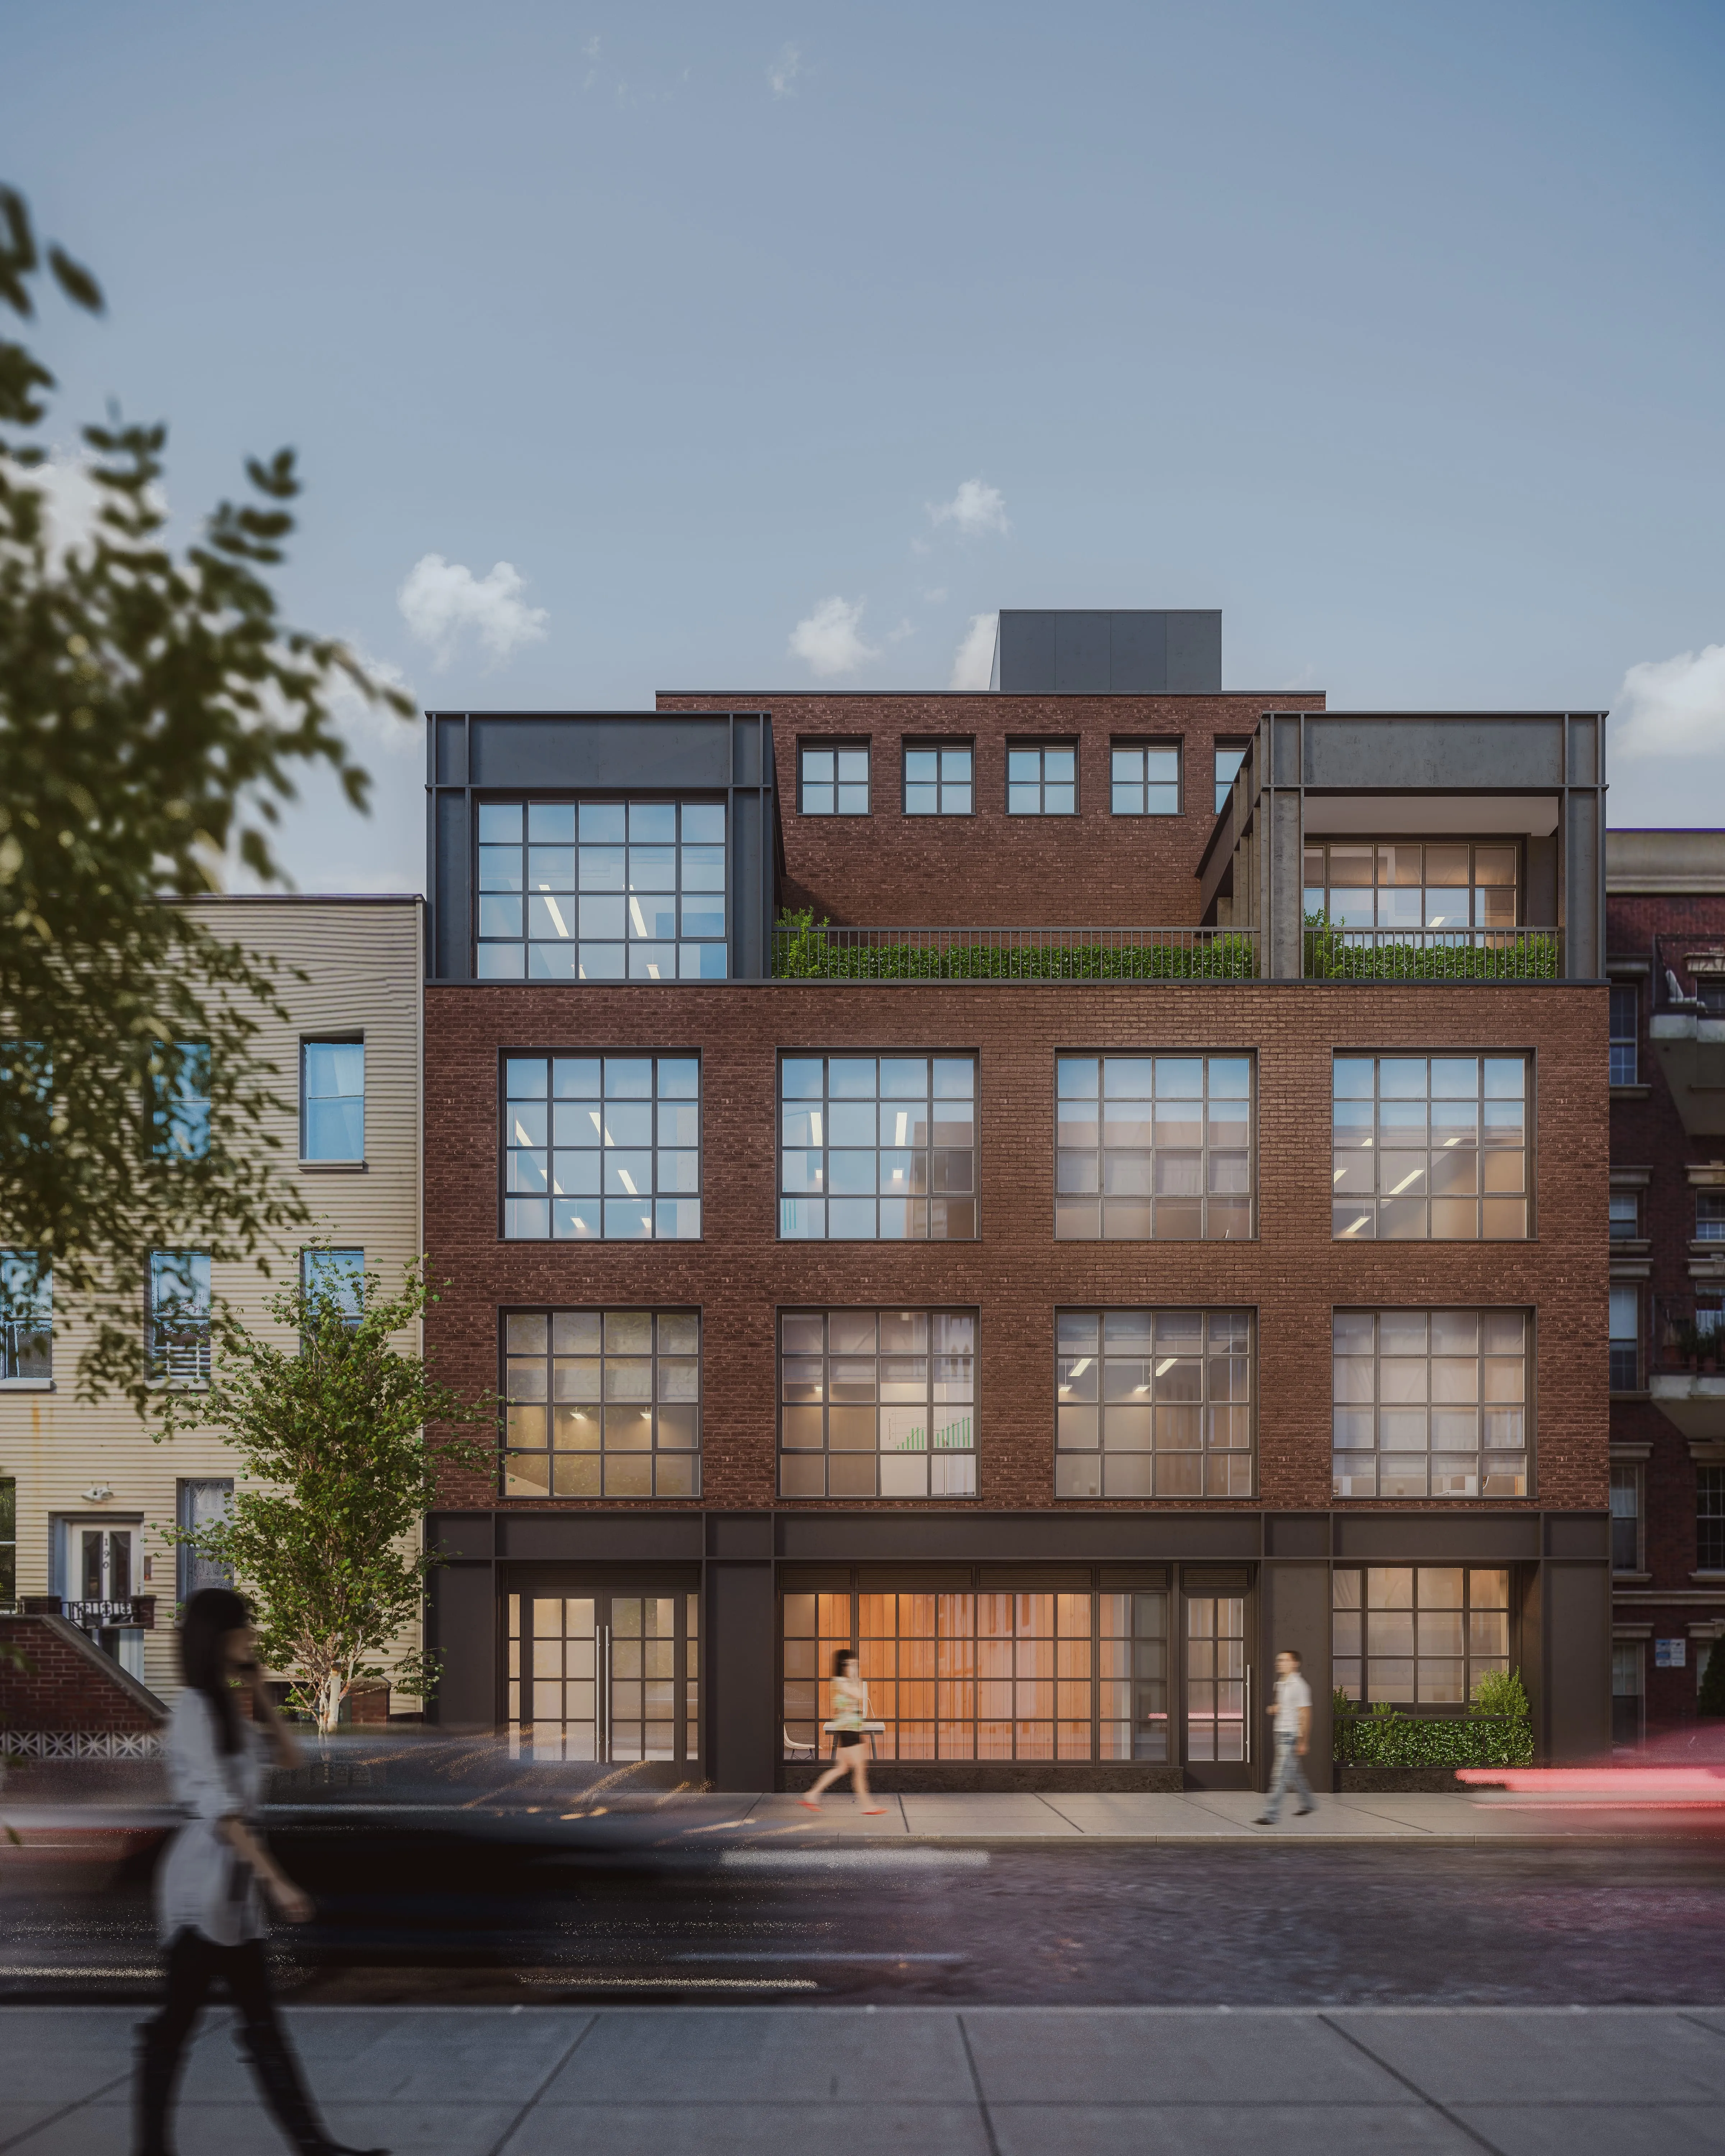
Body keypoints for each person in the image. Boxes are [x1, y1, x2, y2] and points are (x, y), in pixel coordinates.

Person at [135, 1587, 386, 2156]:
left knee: (257, 2025)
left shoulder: (227, 1709)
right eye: (245, 1629)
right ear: (222, 1637)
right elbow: (224, 1816)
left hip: (233, 1895)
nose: (253, 1637)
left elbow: (292, 1758)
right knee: (181, 2026)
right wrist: (277, 1880)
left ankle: (312, 2144)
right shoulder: (196, 1714)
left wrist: (257, 1688)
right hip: (201, 1891)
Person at [799, 1649, 886, 1814]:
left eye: (856, 1664)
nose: (855, 1667)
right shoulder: (840, 1682)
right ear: (843, 1664)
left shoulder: (843, 1681)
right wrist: (855, 1676)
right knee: (860, 1769)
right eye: (852, 1664)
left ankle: (811, 1795)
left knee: (841, 1769)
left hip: (850, 1729)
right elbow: (859, 1694)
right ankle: (868, 1806)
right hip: (848, 1731)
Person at [1255, 1646, 1316, 1826]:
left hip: (1290, 1735)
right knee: (1294, 1774)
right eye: (1279, 1660)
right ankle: (1309, 1803)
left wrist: (1304, 1741)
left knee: (1280, 1776)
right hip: (1280, 1732)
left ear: (1295, 1663)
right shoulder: (1282, 1683)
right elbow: (1285, 1706)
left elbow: (1306, 1714)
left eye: (1284, 1660)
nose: (1279, 1663)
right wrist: (1276, 1708)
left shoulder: (1300, 1686)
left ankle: (1271, 1815)